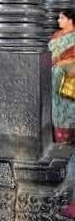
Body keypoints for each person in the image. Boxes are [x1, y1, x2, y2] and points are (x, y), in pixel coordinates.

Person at [48, 10, 75, 144]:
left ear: (70, 20)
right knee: (55, 108)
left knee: (68, 107)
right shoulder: (56, 35)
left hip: (68, 77)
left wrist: (63, 62)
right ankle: (58, 138)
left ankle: (69, 138)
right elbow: (49, 53)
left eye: (62, 17)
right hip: (52, 77)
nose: (58, 20)